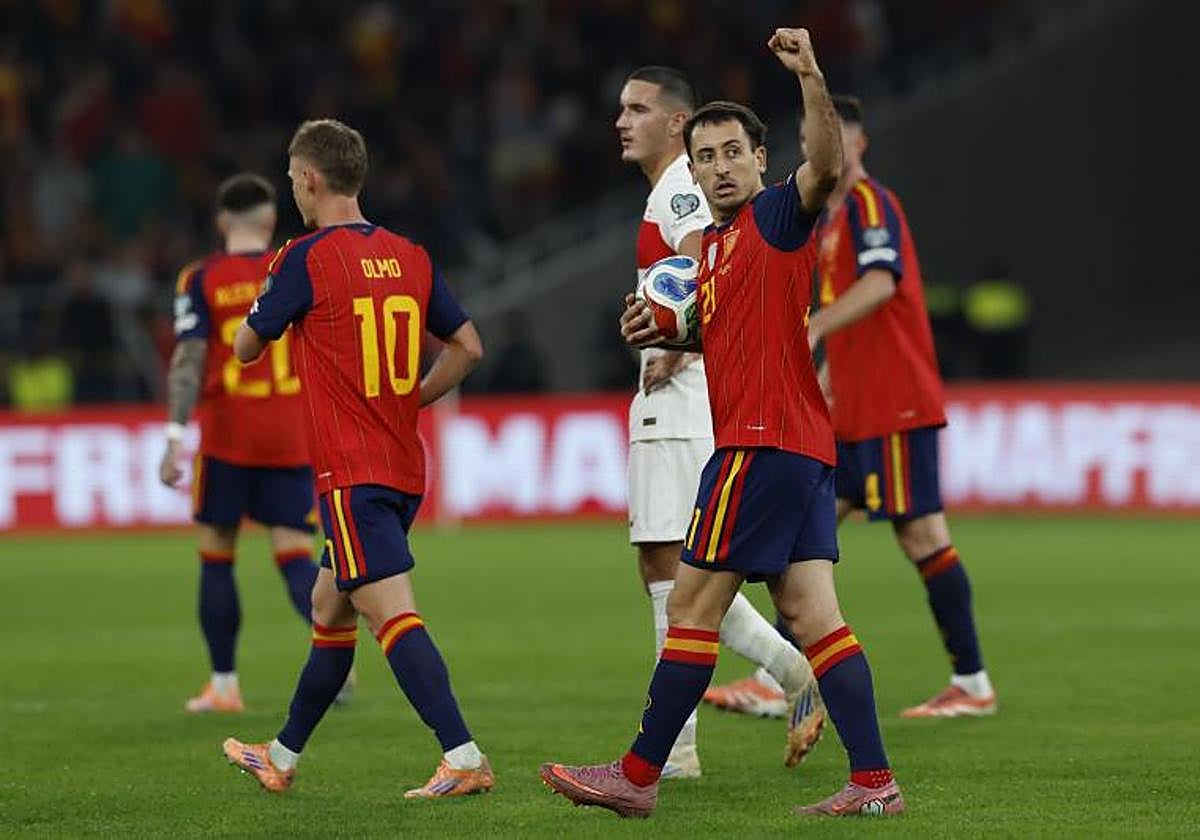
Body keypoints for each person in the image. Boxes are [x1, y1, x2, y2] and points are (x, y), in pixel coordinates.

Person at [541, 30, 903, 819]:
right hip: (802, 450)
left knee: (688, 609)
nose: (719, 167)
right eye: (705, 157)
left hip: (762, 445)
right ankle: (875, 784)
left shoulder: (778, 216)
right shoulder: (714, 247)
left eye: (733, 152)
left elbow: (828, 166)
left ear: (760, 161)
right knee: (813, 617)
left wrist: (809, 73)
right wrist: (664, 331)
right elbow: (728, 331)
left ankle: (638, 775)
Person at [221, 119, 494, 799]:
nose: (292, 188)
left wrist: (261, 310)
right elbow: (467, 348)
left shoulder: (304, 259)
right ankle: (281, 756)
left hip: (350, 472)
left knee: (391, 615)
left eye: (291, 178)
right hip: (402, 465)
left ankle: (462, 754)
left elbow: (245, 349)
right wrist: (411, 400)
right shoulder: (411, 255)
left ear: (311, 179)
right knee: (329, 607)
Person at [615, 65, 825, 779]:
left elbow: (712, 256)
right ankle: (780, 677)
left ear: (676, 122)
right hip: (701, 389)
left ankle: (680, 750)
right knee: (684, 569)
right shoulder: (671, 184)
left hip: (684, 398)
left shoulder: (680, 184)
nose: (623, 120)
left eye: (638, 109)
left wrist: (682, 333)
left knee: (672, 568)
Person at [809, 95, 996, 717]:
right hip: (851, 406)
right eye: (814, 136)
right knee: (800, 536)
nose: (822, 146)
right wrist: (831, 366)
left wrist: (812, 329)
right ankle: (781, 676)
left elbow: (882, 282)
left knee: (920, 535)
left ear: (857, 146)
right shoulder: (830, 220)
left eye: (834, 136)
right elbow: (854, 312)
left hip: (892, 403)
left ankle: (971, 682)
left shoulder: (869, 204)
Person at [161, 173, 323, 714]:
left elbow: (188, 360)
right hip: (292, 435)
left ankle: (224, 684)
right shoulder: (299, 262)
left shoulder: (200, 277)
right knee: (295, 555)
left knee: (216, 556)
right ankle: (336, 664)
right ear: (272, 220)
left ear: (220, 221)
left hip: (228, 437)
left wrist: (175, 436)